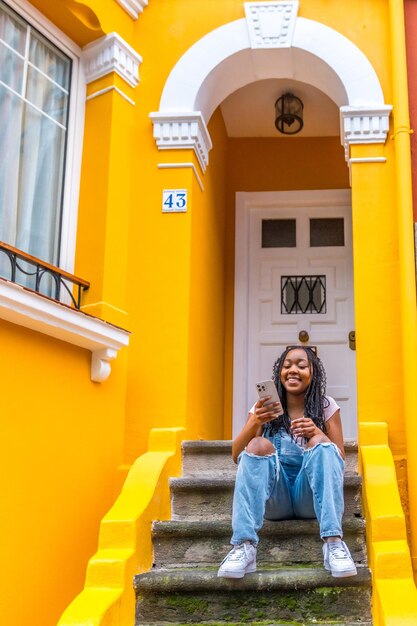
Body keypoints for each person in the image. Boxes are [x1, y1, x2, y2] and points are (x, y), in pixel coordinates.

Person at [217, 345, 357, 580]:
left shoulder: (326, 407)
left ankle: (333, 543)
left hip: (310, 498)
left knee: (324, 445)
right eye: (287, 365)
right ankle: (244, 547)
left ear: (313, 373)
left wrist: (317, 434)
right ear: (279, 373)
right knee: (257, 445)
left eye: (301, 366)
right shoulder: (263, 408)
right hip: (275, 498)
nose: (293, 370)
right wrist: (255, 424)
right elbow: (235, 455)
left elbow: (340, 458)